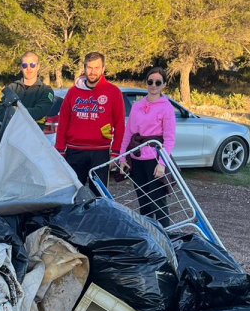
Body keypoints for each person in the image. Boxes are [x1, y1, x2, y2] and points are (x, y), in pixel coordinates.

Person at [54, 51, 126, 186]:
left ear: (103, 69)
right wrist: (60, 149)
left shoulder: (113, 92)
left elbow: (120, 124)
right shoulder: (73, 92)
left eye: (97, 68)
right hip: (74, 150)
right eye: (90, 67)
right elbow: (63, 122)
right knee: (74, 191)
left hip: (100, 151)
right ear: (85, 67)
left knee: (99, 193)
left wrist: (116, 152)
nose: (93, 72)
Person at [119, 66, 177, 227]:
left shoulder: (167, 107)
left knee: (158, 203)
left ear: (164, 84)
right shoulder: (137, 105)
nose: (153, 85)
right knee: (144, 203)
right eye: (150, 81)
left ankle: (166, 235)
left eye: (158, 82)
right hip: (137, 158)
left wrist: (162, 163)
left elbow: (169, 139)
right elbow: (128, 134)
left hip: (154, 160)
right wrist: (123, 158)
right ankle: (148, 236)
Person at [0, 51, 55, 126]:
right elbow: (1, 113)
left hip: (34, 132)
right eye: (25, 65)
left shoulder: (45, 90)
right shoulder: (12, 88)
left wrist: (13, 113)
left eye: (32, 65)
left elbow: (39, 112)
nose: (28, 68)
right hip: (13, 132)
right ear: (21, 67)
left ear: (38, 66)